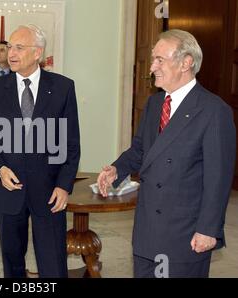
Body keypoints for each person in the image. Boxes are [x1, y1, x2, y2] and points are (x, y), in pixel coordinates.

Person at [97, 29, 236, 278]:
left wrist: (208, 229)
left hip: (184, 233)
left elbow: (219, 179)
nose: (152, 67)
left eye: (159, 59)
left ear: (186, 62)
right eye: (153, 59)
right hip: (148, 228)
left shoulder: (214, 111)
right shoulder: (154, 104)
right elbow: (140, 149)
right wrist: (116, 169)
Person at [0, 25, 80, 278]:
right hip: (7, 191)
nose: (11, 53)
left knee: (53, 262)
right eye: (10, 47)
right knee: (13, 264)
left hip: (49, 191)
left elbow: (71, 143)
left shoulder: (63, 87)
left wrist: (64, 185)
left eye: (19, 47)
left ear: (37, 53)